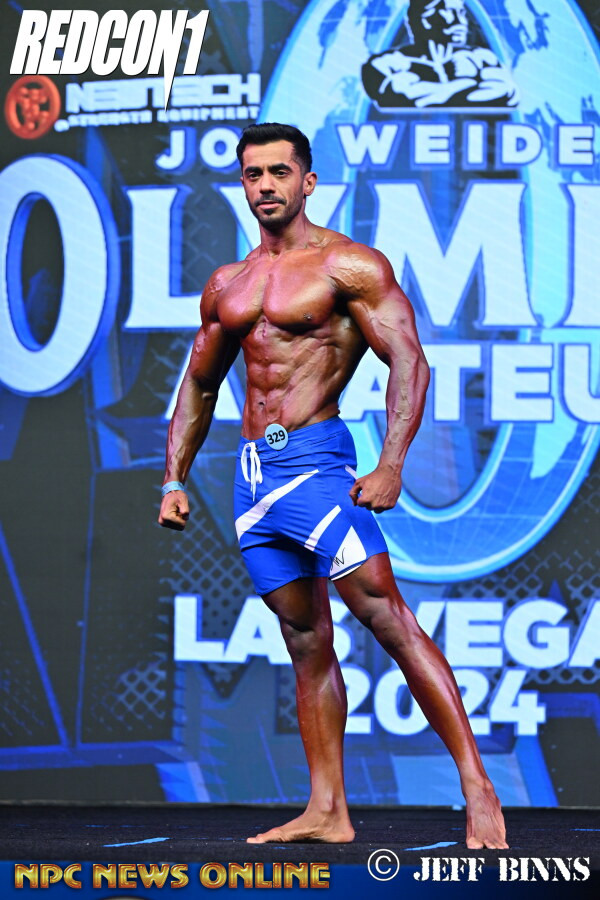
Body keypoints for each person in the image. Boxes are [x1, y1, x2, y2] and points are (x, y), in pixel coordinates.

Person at [158, 122, 507, 849]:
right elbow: (199, 382)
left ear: (307, 181)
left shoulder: (348, 266)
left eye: (279, 172)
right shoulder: (228, 283)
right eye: (253, 174)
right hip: (253, 480)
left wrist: (392, 464)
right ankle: (327, 810)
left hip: (317, 468)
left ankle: (477, 786)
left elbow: (409, 360)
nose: (265, 186)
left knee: (387, 617)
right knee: (304, 636)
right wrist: (173, 478)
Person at [362, 0, 518, 108]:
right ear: (425, 19)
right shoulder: (386, 64)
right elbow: (405, 97)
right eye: (450, 12)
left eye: (461, 13)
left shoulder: (481, 59)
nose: (461, 21)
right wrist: (471, 83)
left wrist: (442, 92)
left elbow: (508, 92)